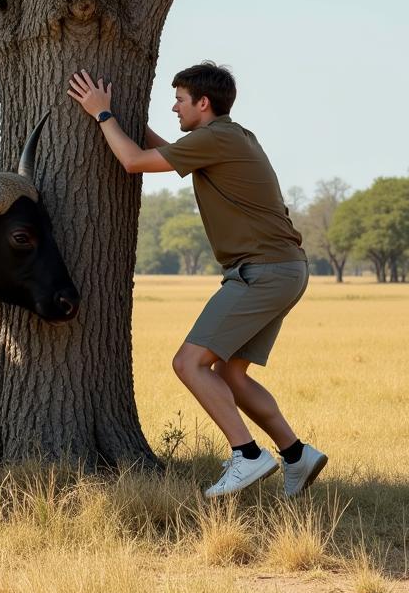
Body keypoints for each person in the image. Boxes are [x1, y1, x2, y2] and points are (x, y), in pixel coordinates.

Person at [67, 61, 327, 499]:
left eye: (180, 100)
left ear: (203, 104)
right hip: (284, 269)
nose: (174, 107)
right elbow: (168, 151)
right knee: (231, 374)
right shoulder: (230, 136)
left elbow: (132, 162)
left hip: (259, 271)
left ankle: (246, 455)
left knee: (189, 364)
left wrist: (102, 114)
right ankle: (297, 454)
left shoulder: (216, 139)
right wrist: (128, 120)